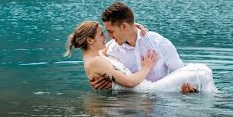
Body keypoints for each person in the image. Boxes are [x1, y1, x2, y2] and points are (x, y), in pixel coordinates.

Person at [66, 20, 219, 94]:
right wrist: (147, 67)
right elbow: (129, 81)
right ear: (90, 40)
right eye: (101, 35)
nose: (106, 37)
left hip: (146, 91)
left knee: (201, 74)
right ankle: (218, 100)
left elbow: (111, 46)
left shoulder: (96, 56)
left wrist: (132, 29)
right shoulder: (96, 61)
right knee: (203, 73)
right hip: (148, 90)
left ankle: (216, 98)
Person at [90, 2, 189, 91]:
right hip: (129, 106)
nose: (110, 36)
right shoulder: (112, 51)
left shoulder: (159, 44)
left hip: (161, 105)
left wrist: (187, 87)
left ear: (124, 26)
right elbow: (96, 60)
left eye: (111, 31)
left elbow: (180, 73)